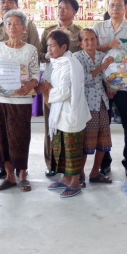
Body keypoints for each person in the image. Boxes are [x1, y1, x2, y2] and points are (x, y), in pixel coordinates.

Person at [0, 0, 40, 180]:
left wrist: (31, 84)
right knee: (2, 137)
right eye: (9, 24)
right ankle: (8, 175)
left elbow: (35, 73)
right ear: (5, 27)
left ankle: (22, 174)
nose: (13, 27)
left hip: (21, 98)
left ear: (24, 28)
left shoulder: (30, 49)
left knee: (20, 136)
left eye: (17, 24)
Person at [93, 0, 127, 179]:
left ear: (126, 7)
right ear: (107, 7)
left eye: (119, 5)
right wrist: (107, 45)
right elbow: (90, 50)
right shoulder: (98, 28)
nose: (115, 8)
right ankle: (104, 163)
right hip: (102, 86)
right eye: (112, 5)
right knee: (103, 126)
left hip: (125, 86)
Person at [41, 29, 90, 198]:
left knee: (72, 149)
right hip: (60, 113)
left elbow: (64, 91)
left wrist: (47, 91)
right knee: (61, 147)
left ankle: (75, 182)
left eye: (52, 46)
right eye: (48, 45)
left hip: (71, 114)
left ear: (64, 47)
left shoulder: (70, 64)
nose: (49, 49)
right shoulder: (58, 62)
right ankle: (66, 178)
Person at [38, 0, 82, 177]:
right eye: (59, 7)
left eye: (65, 7)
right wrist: (50, 55)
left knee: (69, 126)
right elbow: (40, 53)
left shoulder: (80, 32)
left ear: (74, 11)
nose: (61, 10)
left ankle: (71, 169)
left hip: (71, 82)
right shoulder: (48, 30)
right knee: (51, 124)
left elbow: (83, 54)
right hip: (51, 80)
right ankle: (51, 163)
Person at [74, 28, 114, 185]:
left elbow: (108, 76)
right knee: (86, 140)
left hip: (102, 102)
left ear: (97, 40)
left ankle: (95, 172)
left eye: (92, 39)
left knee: (103, 139)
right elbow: (82, 79)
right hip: (86, 104)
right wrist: (102, 67)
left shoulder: (102, 56)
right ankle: (80, 173)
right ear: (80, 43)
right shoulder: (77, 57)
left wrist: (111, 87)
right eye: (86, 40)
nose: (90, 42)